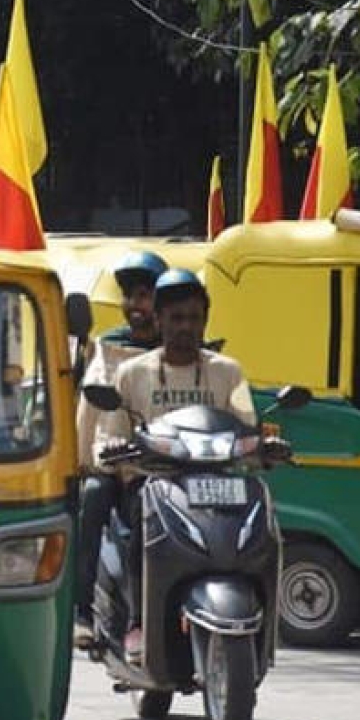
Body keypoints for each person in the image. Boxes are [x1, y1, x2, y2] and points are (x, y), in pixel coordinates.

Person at [92, 269, 256, 663]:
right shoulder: (133, 373)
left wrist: (263, 445)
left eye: (195, 318)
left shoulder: (226, 371)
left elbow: (247, 425)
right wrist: (115, 446)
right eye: (177, 318)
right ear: (159, 319)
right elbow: (110, 434)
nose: (186, 327)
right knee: (140, 532)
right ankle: (137, 622)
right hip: (153, 482)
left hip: (215, 483)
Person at [73, 250, 168, 648]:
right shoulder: (109, 348)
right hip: (117, 466)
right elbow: (89, 412)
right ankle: (82, 612)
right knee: (92, 501)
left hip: (172, 464)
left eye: (144, 295)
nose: (135, 305)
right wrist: (83, 462)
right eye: (130, 296)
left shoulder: (182, 350)